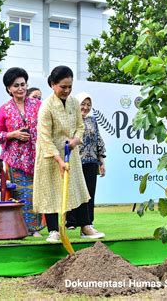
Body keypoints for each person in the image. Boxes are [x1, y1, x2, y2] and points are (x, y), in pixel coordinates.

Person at [33, 65, 105, 242]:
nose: (66, 90)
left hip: (71, 152)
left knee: (79, 188)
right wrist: (58, 160)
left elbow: (80, 126)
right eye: (62, 87)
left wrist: (75, 140)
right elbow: (45, 138)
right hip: (50, 155)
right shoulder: (46, 107)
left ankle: (86, 226)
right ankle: (53, 230)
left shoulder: (73, 102)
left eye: (69, 87)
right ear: (52, 84)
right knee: (50, 190)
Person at [0, 67, 44, 236]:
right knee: (22, 192)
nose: (21, 88)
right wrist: (13, 134)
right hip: (16, 159)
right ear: (9, 88)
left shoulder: (38, 105)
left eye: (23, 84)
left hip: (37, 156)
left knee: (37, 192)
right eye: (16, 85)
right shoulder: (4, 109)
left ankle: (36, 228)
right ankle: (23, 227)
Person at [66, 92, 106, 229]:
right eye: (83, 104)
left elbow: (98, 140)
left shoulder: (92, 120)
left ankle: (88, 222)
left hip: (91, 161)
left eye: (89, 105)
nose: (85, 107)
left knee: (89, 192)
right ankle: (71, 222)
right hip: (75, 161)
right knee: (74, 191)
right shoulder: (71, 120)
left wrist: (101, 161)